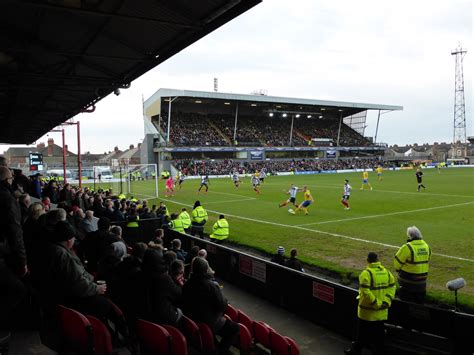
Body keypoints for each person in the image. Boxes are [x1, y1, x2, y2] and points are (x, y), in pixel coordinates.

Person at [182, 257, 239, 354]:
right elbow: (222, 305)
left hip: (194, 319)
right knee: (235, 328)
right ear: (205, 269)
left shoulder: (187, 284)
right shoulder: (212, 285)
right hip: (209, 322)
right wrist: (226, 302)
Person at [345, 252, 396, 355]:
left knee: (362, 334)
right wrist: (386, 301)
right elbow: (393, 287)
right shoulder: (387, 272)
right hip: (381, 312)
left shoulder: (365, 274)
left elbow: (365, 292)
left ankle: (355, 351)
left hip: (367, 312)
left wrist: (376, 303)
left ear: (367, 261)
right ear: (378, 260)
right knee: (379, 336)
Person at [0, 166, 28, 330]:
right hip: (3, 253)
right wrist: (22, 261)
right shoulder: (7, 198)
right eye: (11, 179)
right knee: (18, 290)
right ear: (6, 180)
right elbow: (15, 232)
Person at [394, 226, 431, 303]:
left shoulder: (407, 247)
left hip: (407, 282)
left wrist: (398, 270)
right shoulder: (427, 246)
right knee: (419, 306)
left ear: (410, 236)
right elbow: (428, 259)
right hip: (422, 283)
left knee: (405, 305)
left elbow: (397, 263)